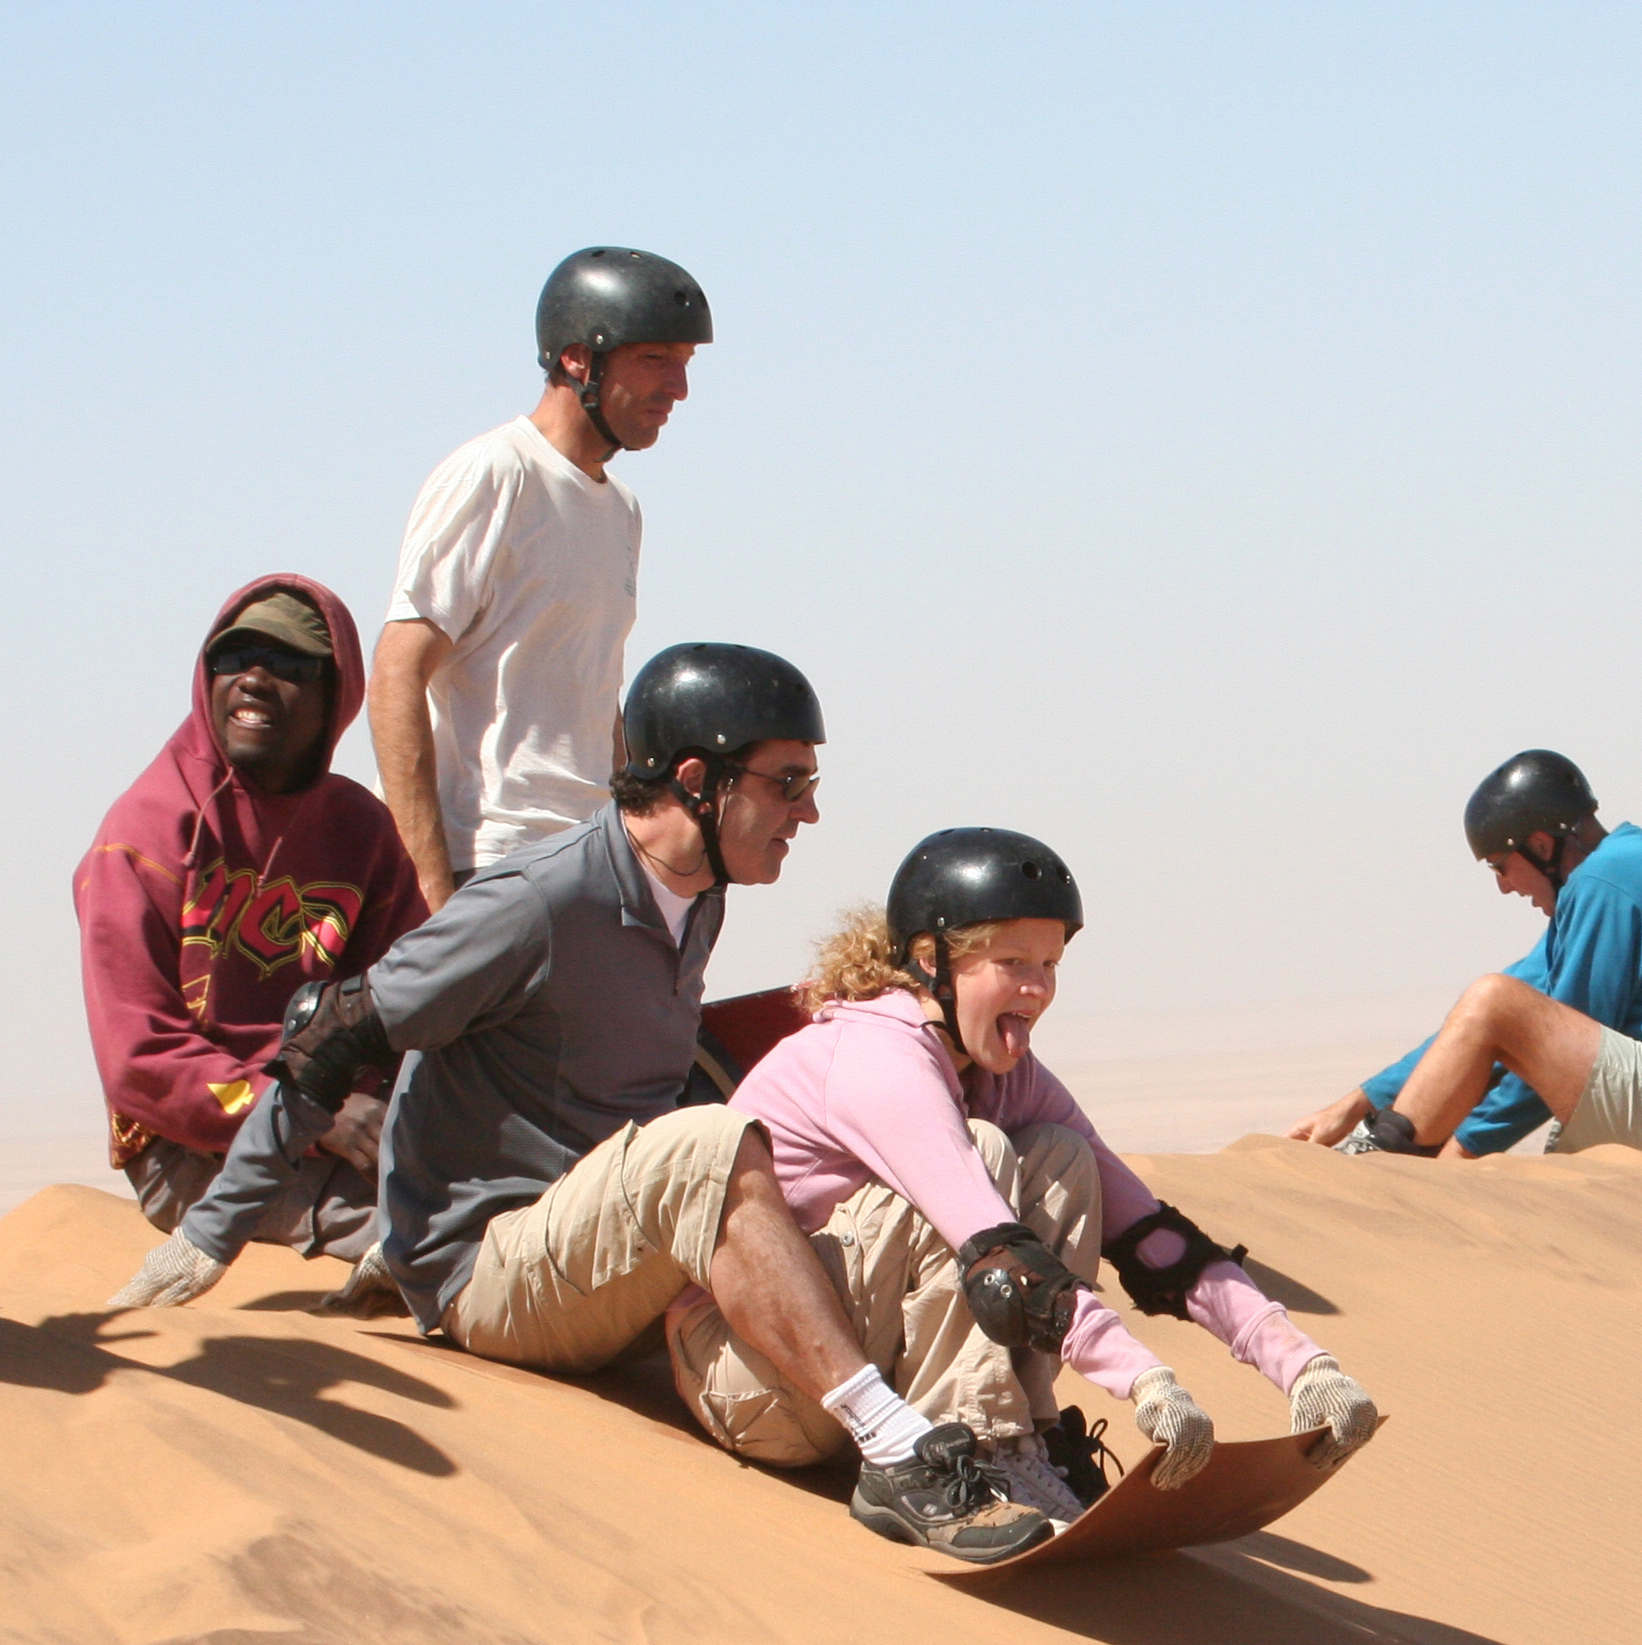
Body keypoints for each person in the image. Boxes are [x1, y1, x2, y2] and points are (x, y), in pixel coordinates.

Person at [109, 645, 1068, 1564]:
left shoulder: (701, 895)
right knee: (704, 1144)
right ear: (699, 779)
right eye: (788, 783)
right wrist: (211, 1233)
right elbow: (338, 1032)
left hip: (613, 1259)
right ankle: (897, 1451)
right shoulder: (538, 900)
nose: (808, 813)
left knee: (959, 1150)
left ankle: (996, 1450)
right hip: (487, 1270)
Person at [676, 827, 1383, 1521]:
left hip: (867, 1387)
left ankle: (1024, 1437)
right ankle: (987, 1448)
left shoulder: (1001, 1071)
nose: (1038, 988)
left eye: (1050, 965)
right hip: (761, 1384)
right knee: (983, 1154)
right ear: (929, 960)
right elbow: (998, 1255)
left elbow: (1150, 1236)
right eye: (1012, 962)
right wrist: (1145, 1382)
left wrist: (1300, 1363)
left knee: (1060, 1155)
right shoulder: (879, 1059)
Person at [72, 577, 423, 1264]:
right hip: (195, 1144)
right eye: (235, 659)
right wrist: (309, 1113)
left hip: (350, 1120)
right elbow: (139, 1062)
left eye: (291, 665)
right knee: (425, 1236)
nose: (255, 681)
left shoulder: (360, 831)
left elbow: (415, 997)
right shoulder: (145, 833)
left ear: (337, 693)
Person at [371, 246, 708, 917]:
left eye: (684, 365)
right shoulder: (494, 474)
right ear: (577, 360)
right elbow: (396, 675)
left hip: (588, 864)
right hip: (493, 861)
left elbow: (590, 689)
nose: (678, 388)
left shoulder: (621, 510)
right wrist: (432, 895)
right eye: (655, 361)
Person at [1288, 751, 1642, 1162]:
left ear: (1540, 845)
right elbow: (1480, 1025)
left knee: (1495, 1000)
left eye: (1500, 866)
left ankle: (1386, 1165)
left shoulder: (1605, 884)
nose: (1505, 888)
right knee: (1495, 1001)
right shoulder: (1612, 877)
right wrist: (1361, 1100)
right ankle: (1387, 1147)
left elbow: (1531, 1034)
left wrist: (1459, 1154)